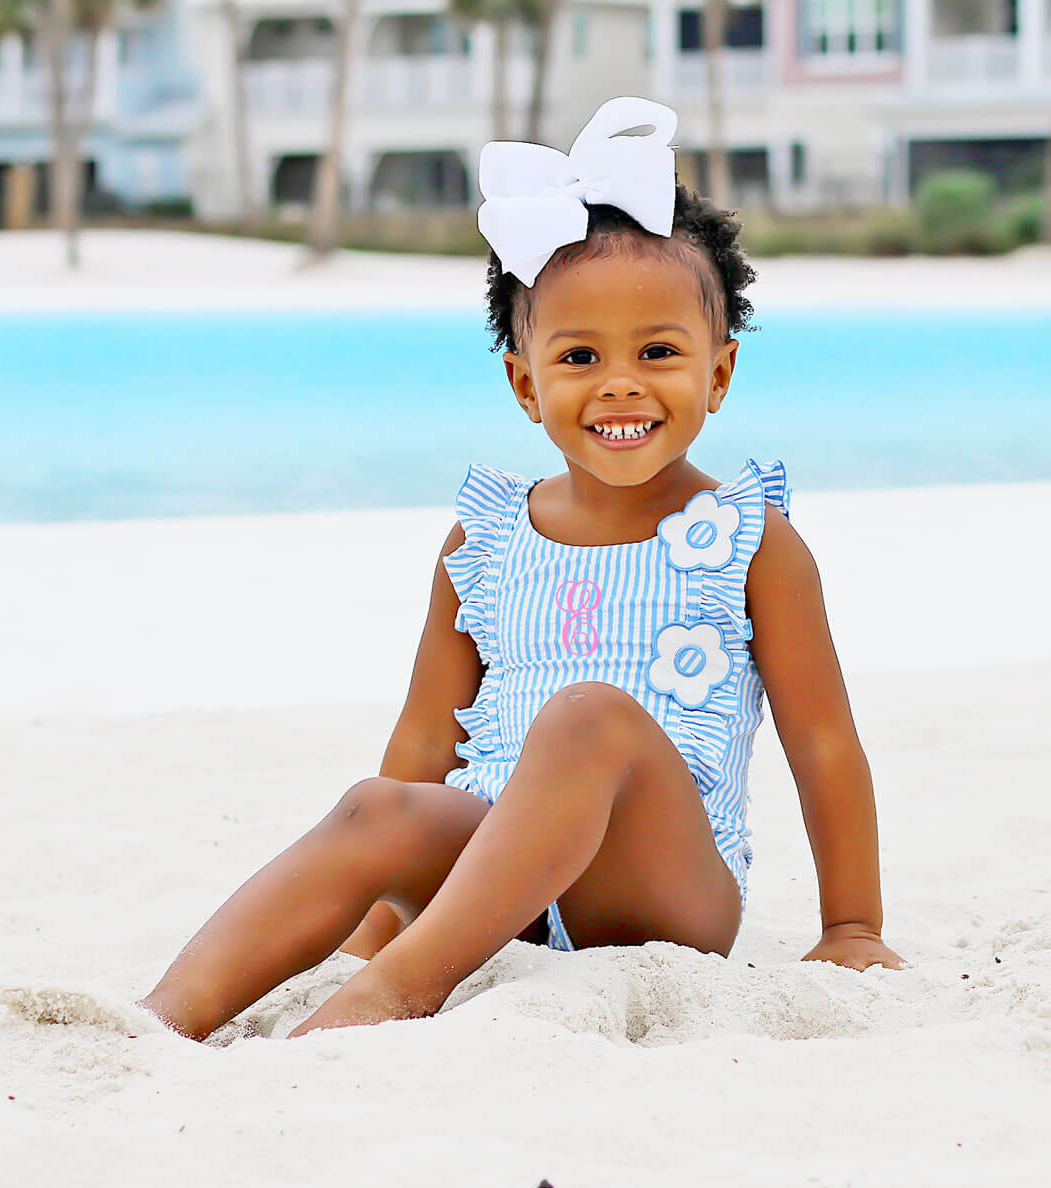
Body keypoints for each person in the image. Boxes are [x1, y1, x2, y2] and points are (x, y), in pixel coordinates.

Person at [140, 96, 905, 1043]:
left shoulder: (748, 538)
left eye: (659, 352)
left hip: (660, 893)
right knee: (375, 806)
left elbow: (823, 742)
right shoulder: (488, 540)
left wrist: (852, 924)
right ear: (525, 382)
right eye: (579, 355)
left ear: (717, 373)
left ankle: (399, 991)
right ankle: (160, 1020)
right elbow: (425, 744)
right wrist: (381, 911)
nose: (620, 383)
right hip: (493, 883)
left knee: (589, 719)